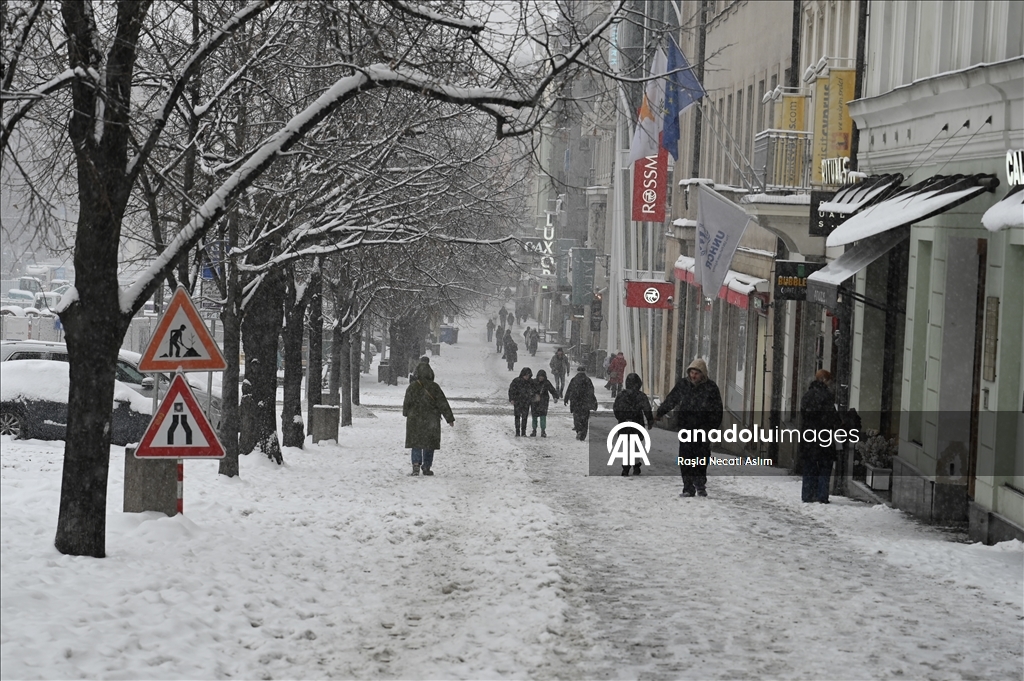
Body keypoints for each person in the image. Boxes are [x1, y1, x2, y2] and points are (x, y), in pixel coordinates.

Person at [655, 358, 723, 497]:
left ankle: (700, 482)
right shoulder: (683, 385)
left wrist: (712, 427)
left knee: (702, 457)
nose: (693, 376)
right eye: (692, 372)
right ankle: (688, 487)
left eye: (696, 373)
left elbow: (717, 410)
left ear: (703, 374)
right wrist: (660, 412)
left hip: (703, 429)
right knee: (685, 458)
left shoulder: (711, 388)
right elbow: (672, 399)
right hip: (686, 427)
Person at [402, 361, 455, 476]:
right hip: (431, 419)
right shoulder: (434, 387)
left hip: (414, 419)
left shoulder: (412, 387)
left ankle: (416, 464)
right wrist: (449, 418)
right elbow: (442, 403)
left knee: (416, 443)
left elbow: (407, 402)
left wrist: (406, 412)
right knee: (429, 443)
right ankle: (426, 466)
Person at [800, 369, 843, 503]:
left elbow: (804, 416)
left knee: (810, 466)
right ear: (824, 380)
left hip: (809, 437)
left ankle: (807, 495)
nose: (830, 384)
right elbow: (833, 418)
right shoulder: (827, 397)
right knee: (825, 467)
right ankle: (821, 495)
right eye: (829, 381)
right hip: (824, 437)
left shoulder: (807, 395)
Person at [613, 373, 655, 476]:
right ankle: (636, 466)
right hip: (637, 422)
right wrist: (650, 421)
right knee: (636, 445)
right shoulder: (641, 396)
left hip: (624, 423)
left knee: (626, 446)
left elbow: (616, 408)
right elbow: (647, 409)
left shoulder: (621, 395)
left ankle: (625, 467)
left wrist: (620, 417)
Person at [564, 366, 598, 441]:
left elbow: (569, 390)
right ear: (585, 371)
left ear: (577, 371)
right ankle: (583, 434)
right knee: (585, 419)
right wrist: (593, 402)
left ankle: (578, 430)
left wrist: (566, 398)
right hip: (585, 403)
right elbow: (591, 392)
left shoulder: (574, 380)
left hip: (576, 402)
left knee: (577, 417)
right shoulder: (588, 380)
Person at [530, 369, 559, 437]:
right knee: (534, 416)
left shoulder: (546, 383)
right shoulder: (533, 382)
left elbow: (552, 390)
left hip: (543, 401)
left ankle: (543, 431)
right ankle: (534, 430)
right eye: (540, 376)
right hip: (535, 401)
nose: (541, 378)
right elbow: (529, 390)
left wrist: (555, 397)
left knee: (543, 416)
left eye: (542, 376)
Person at [508, 367, 534, 437]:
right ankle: (517, 431)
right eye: (525, 375)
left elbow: (534, 391)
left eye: (528, 376)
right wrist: (512, 399)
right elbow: (511, 390)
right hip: (518, 401)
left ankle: (523, 432)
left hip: (526, 402)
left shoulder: (531, 382)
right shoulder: (516, 381)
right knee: (517, 416)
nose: (527, 377)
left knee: (525, 417)